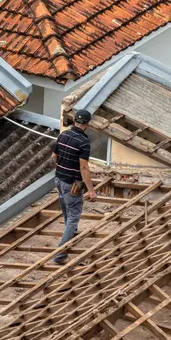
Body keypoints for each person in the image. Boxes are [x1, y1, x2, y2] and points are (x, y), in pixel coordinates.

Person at [51, 109, 97, 265]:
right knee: (73, 218)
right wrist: (91, 190)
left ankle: (71, 235)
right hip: (72, 185)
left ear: (75, 121)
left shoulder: (63, 135)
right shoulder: (83, 142)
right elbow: (84, 168)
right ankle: (60, 255)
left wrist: (63, 169)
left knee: (66, 209)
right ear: (87, 123)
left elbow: (54, 157)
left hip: (58, 180)